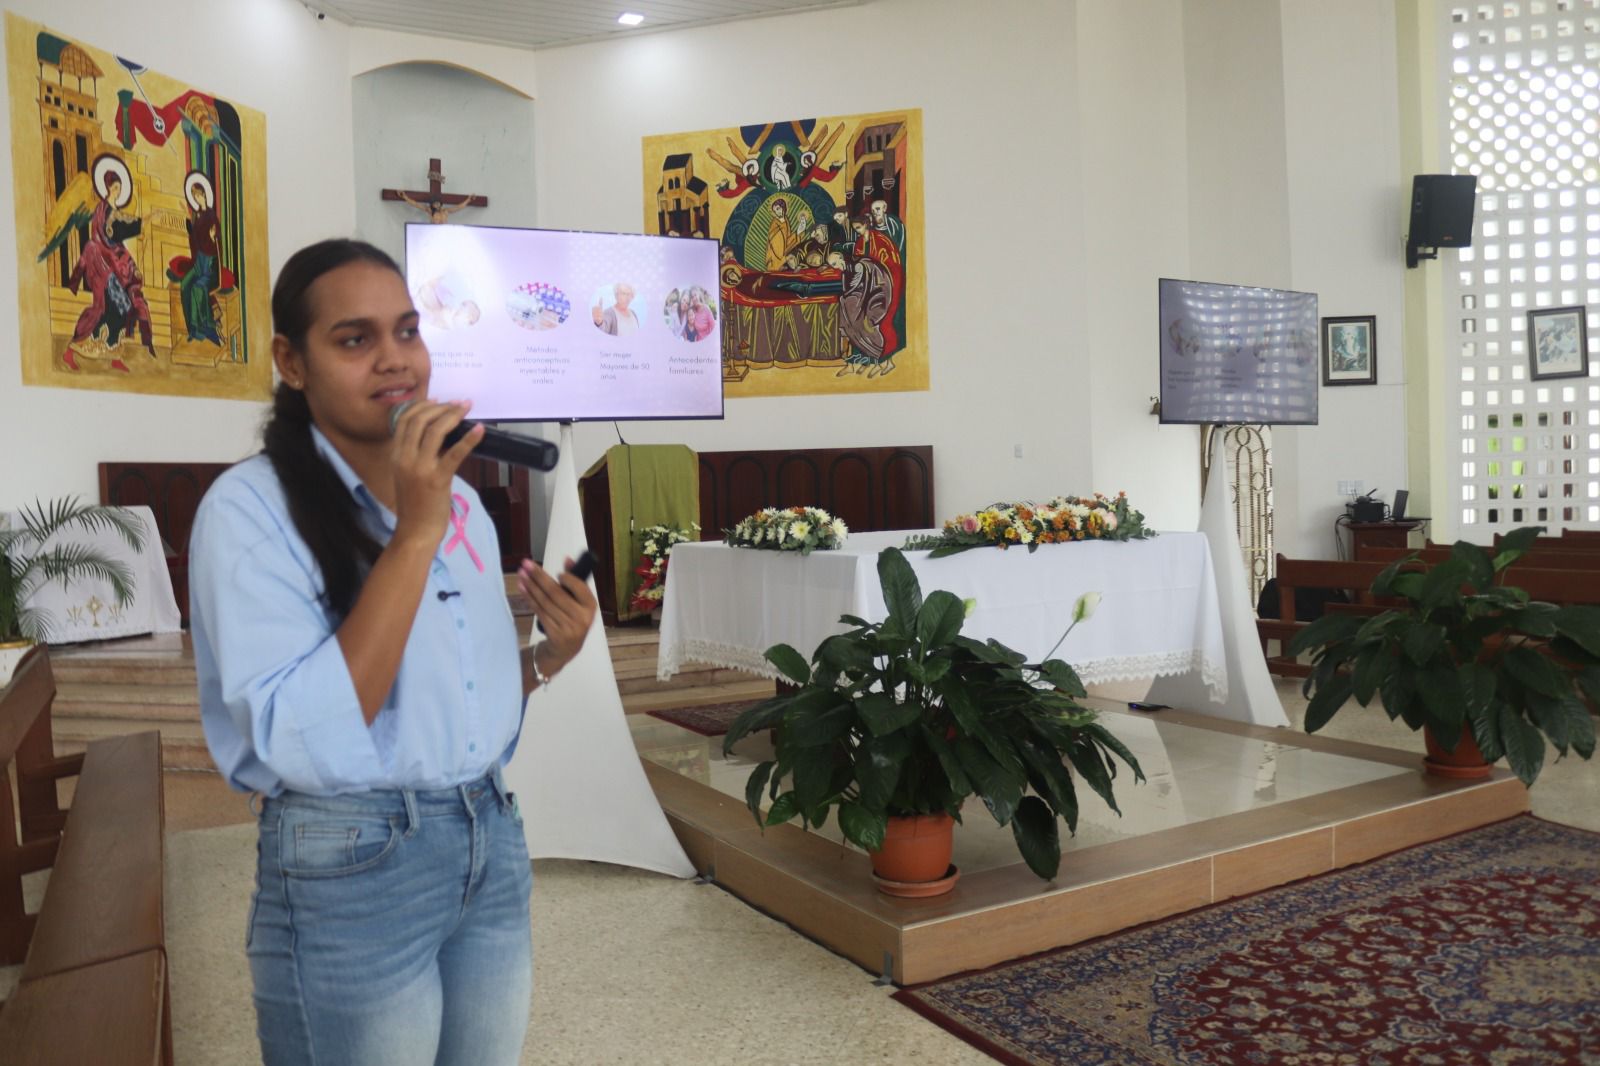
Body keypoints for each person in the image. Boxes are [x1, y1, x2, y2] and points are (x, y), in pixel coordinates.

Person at [187, 238, 597, 1066]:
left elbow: (456, 692)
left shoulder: (462, 506)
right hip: (353, 861)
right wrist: (413, 533)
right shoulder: (249, 513)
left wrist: (547, 657)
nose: (395, 360)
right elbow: (306, 735)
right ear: (291, 363)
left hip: (486, 839)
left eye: (407, 331)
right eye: (355, 339)